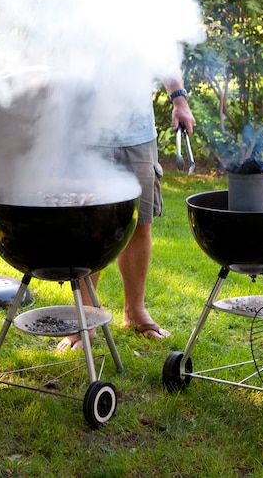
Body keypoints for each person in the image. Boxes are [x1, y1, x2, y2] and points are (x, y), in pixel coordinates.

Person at [57, 80, 196, 350]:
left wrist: (180, 100)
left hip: (139, 135)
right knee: (91, 229)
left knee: (140, 224)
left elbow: (161, 48)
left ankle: (135, 311)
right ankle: (86, 317)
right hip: (88, 135)